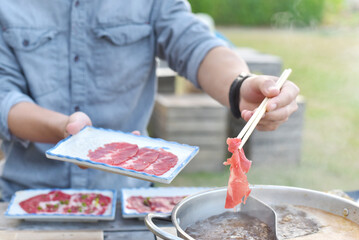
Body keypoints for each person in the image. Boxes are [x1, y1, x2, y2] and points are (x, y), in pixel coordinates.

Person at [0, 0, 299, 201]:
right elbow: (4, 96)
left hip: (128, 199)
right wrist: (63, 128)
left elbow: (194, 43)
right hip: (28, 198)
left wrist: (239, 87)